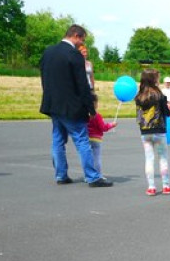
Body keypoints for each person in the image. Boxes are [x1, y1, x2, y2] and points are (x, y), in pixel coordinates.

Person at [39, 24, 111, 187]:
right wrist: (90, 108)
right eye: (82, 40)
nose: (81, 44)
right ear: (76, 36)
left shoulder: (48, 52)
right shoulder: (74, 55)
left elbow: (44, 77)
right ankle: (92, 176)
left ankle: (61, 175)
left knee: (58, 140)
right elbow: (82, 85)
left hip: (53, 104)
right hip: (72, 107)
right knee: (82, 140)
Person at [135, 68, 170, 197]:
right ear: (154, 80)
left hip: (145, 131)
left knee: (149, 159)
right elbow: (166, 112)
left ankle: (151, 187)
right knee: (163, 158)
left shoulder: (139, 96)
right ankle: (166, 185)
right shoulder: (159, 95)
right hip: (159, 130)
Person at [87, 92, 117, 179]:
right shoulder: (97, 116)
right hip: (96, 139)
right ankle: (98, 175)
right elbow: (103, 127)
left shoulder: (84, 116)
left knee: (88, 158)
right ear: (95, 104)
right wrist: (112, 125)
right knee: (96, 158)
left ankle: (88, 175)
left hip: (86, 138)